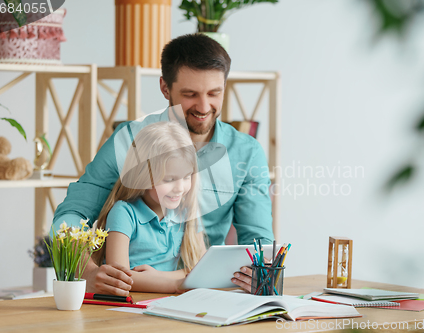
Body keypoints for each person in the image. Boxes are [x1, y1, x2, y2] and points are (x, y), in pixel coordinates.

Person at [53, 33, 273, 295]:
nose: (204, 107)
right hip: (136, 297)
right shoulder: (130, 140)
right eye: (190, 94)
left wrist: (260, 273)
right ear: (165, 88)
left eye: (215, 93)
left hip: (205, 294)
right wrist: (86, 272)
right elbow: (70, 217)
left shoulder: (247, 152)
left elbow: (257, 242)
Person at [93, 122, 206, 293]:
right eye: (169, 179)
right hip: (129, 307)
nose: (180, 188)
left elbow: (202, 268)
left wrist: (158, 276)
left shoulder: (187, 211)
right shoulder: (123, 212)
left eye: (187, 177)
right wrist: (176, 284)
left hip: (167, 301)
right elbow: (119, 278)